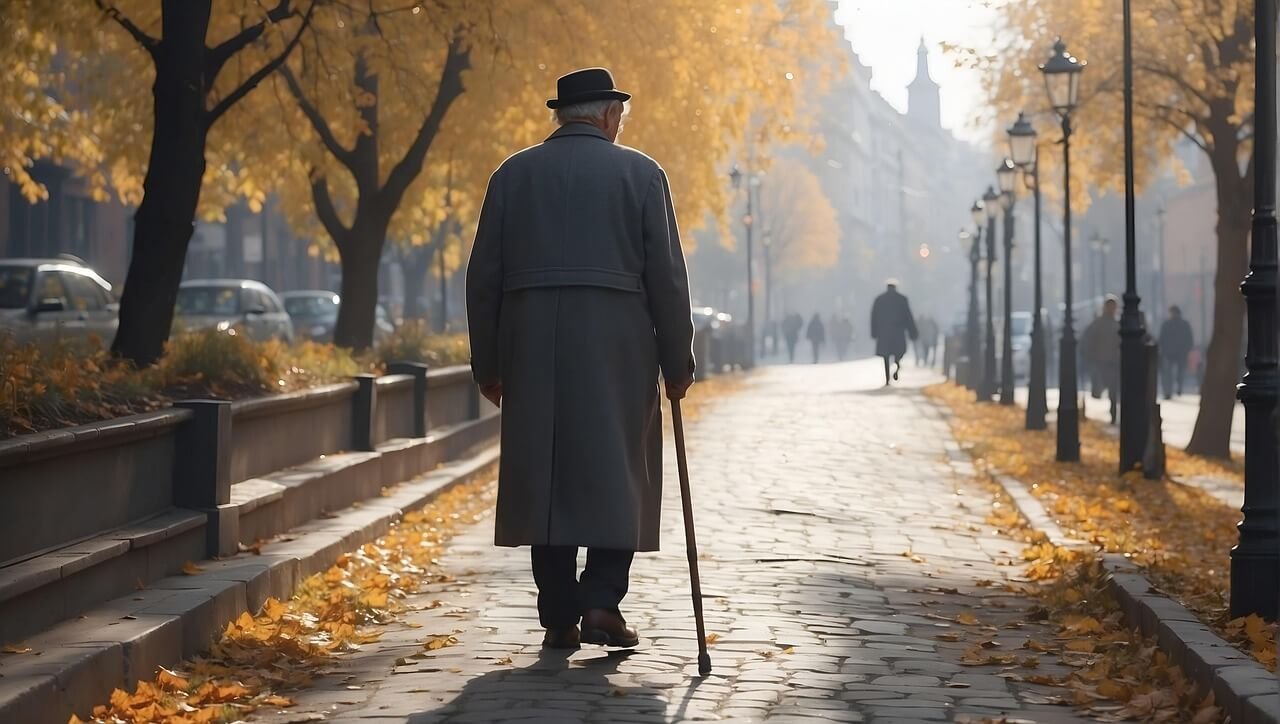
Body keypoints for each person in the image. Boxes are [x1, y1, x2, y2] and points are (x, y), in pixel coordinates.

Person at [466, 67, 695, 651]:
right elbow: (667, 279)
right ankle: (601, 602)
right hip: (618, 344)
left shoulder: (512, 175)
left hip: (531, 344)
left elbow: (483, 279)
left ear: (563, 115)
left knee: (547, 475)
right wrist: (678, 361)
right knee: (619, 470)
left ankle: (558, 613)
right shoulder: (642, 174)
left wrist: (487, 365)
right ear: (610, 115)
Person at [871, 280, 918, 386]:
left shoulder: (879, 300)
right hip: (898, 332)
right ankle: (897, 365)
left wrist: (874, 332)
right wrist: (912, 331)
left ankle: (887, 377)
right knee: (899, 352)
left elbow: (874, 317)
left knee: (886, 356)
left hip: (884, 333)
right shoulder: (902, 299)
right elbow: (908, 317)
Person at [1082, 296, 1120, 424]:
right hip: (1100, 362)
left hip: (1113, 362)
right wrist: (1090, 357)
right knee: (1099, 388)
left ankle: (1113, 413)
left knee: (1113, 391)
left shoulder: (1117, 324)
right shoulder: (1097, 324)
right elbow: (1087, 341)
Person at [1159, 305, 1194, 399]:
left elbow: (1162, 339)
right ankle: (1172, 390)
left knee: (1173, 373)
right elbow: (1162, 338)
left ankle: (1172, 390)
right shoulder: (1183, 324)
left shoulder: (1168, 324)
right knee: (1174, 373)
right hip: (1175, 353)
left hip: (1173, 352)